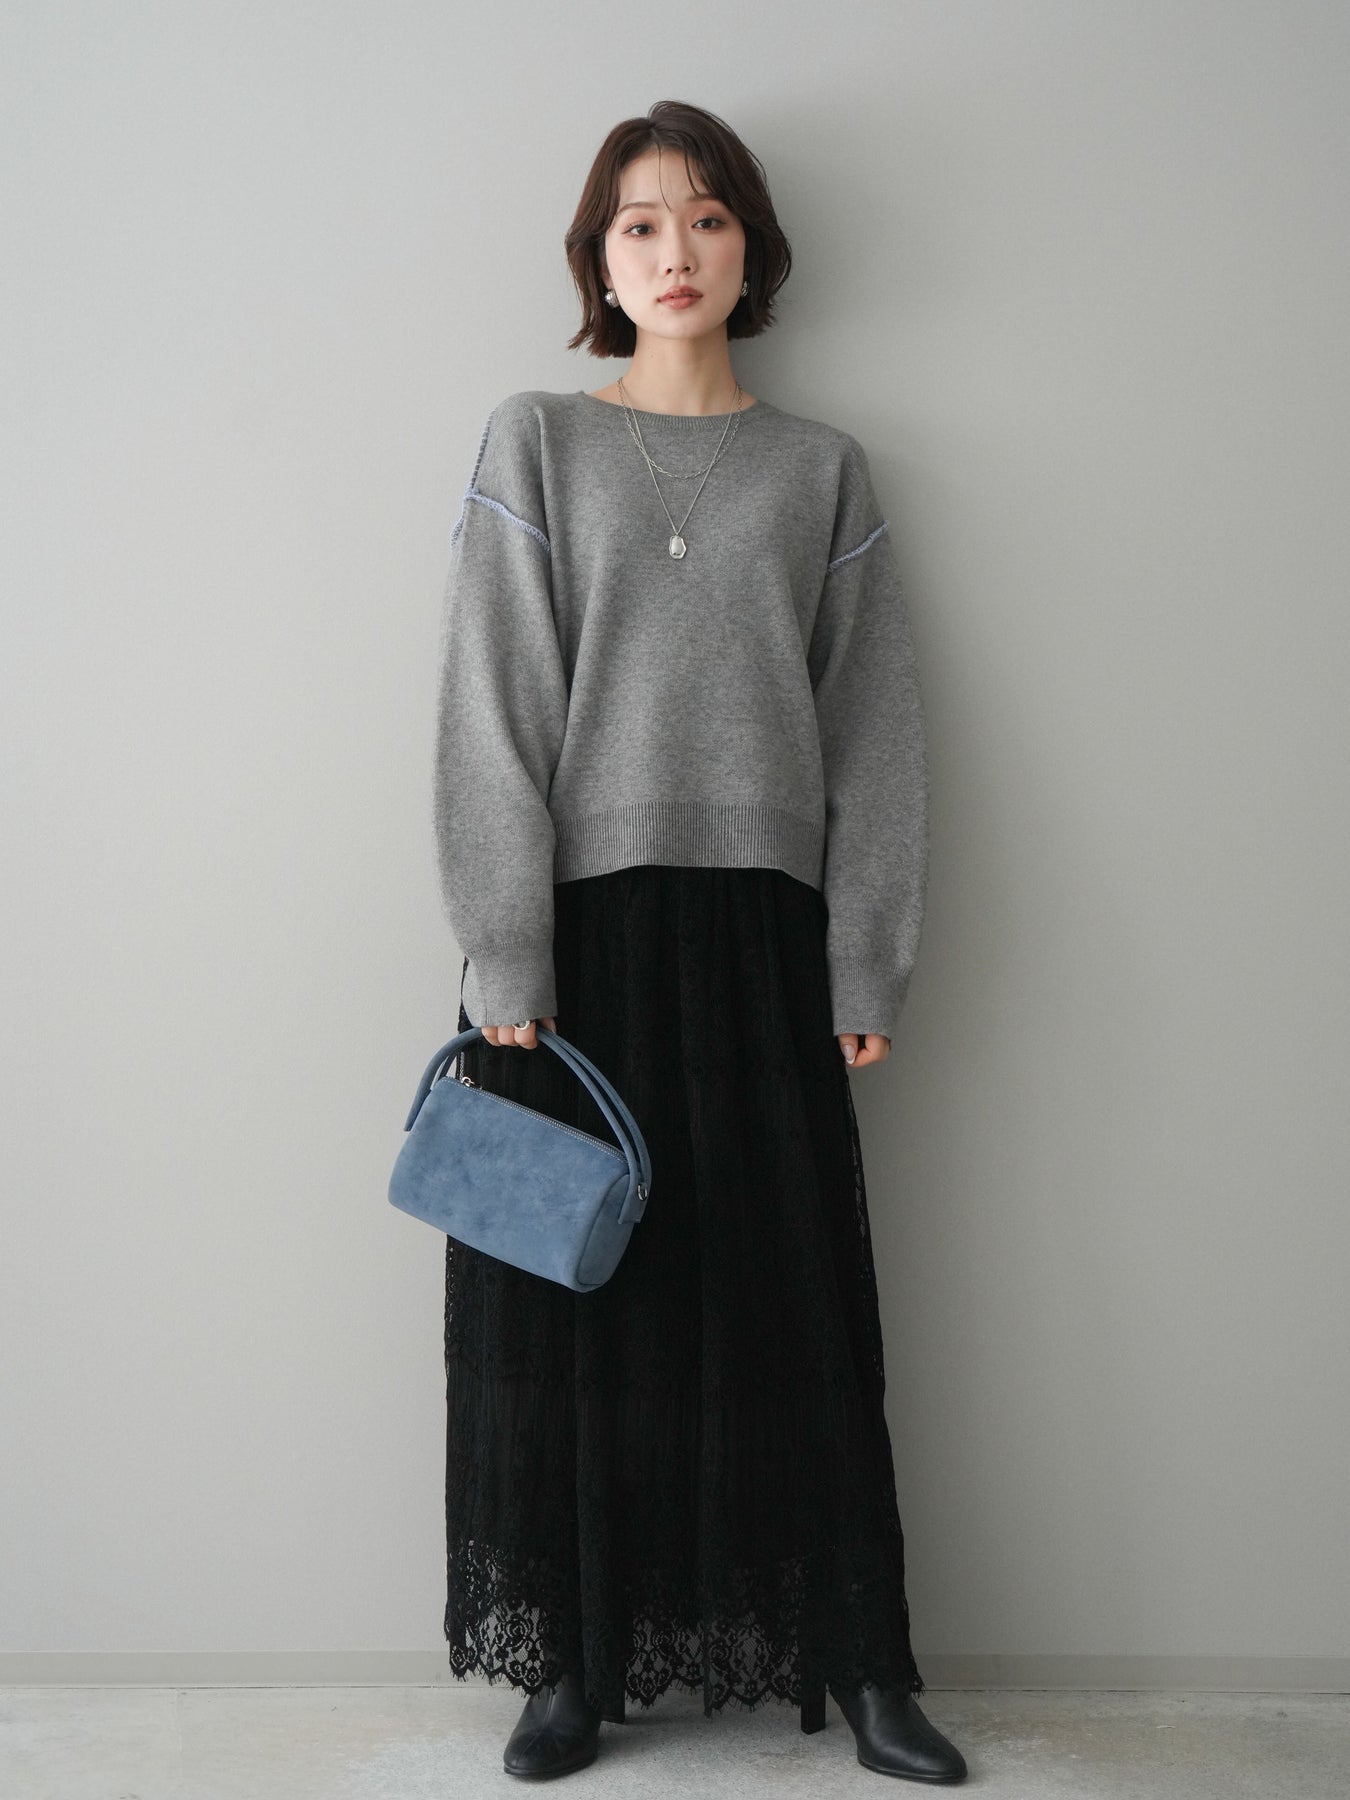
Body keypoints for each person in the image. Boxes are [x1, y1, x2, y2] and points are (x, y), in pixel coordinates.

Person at [431, 99, 968, 1785]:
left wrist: (864, 958)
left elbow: (876, 731)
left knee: (788, 1309)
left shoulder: (822, 470)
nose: (676, 251)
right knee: (566, 1310)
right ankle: (570, 1666)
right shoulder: (534, 441)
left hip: (761, 939)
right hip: (573, 941)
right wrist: (503, 951)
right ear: (599, 262)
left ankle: (858, 1662)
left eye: (709, 217)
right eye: (641, 223)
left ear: (752, 250)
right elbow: (490, 711)